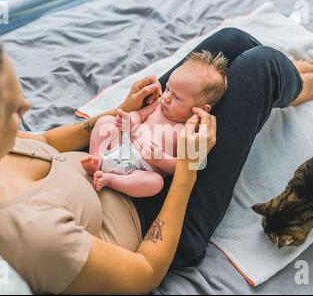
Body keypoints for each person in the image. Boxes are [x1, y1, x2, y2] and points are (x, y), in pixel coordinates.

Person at [0, 13, 313, 294]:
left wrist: (124, 112)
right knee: (261, 65)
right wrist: (188, 169)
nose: (27, 112)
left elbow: (49, 143)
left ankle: (283, 86)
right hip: (151, 216)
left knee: (231, 43)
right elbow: (144, 274)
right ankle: (294, 87)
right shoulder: (33, 236)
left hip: (120, 148)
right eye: (13, 112)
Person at [80, 50, 229, 197]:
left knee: (156, 183)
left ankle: (110, 180)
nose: (166, 97)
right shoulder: (159, 105)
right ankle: (96, 158)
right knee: (106, 122)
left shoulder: (194, 133)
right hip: (121, 143)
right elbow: (139, 115)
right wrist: (130, 121)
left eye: (176, 97)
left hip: (139, 170)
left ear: (202, 109)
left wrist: (161, 159)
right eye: (168, 89)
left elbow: (182, 167)